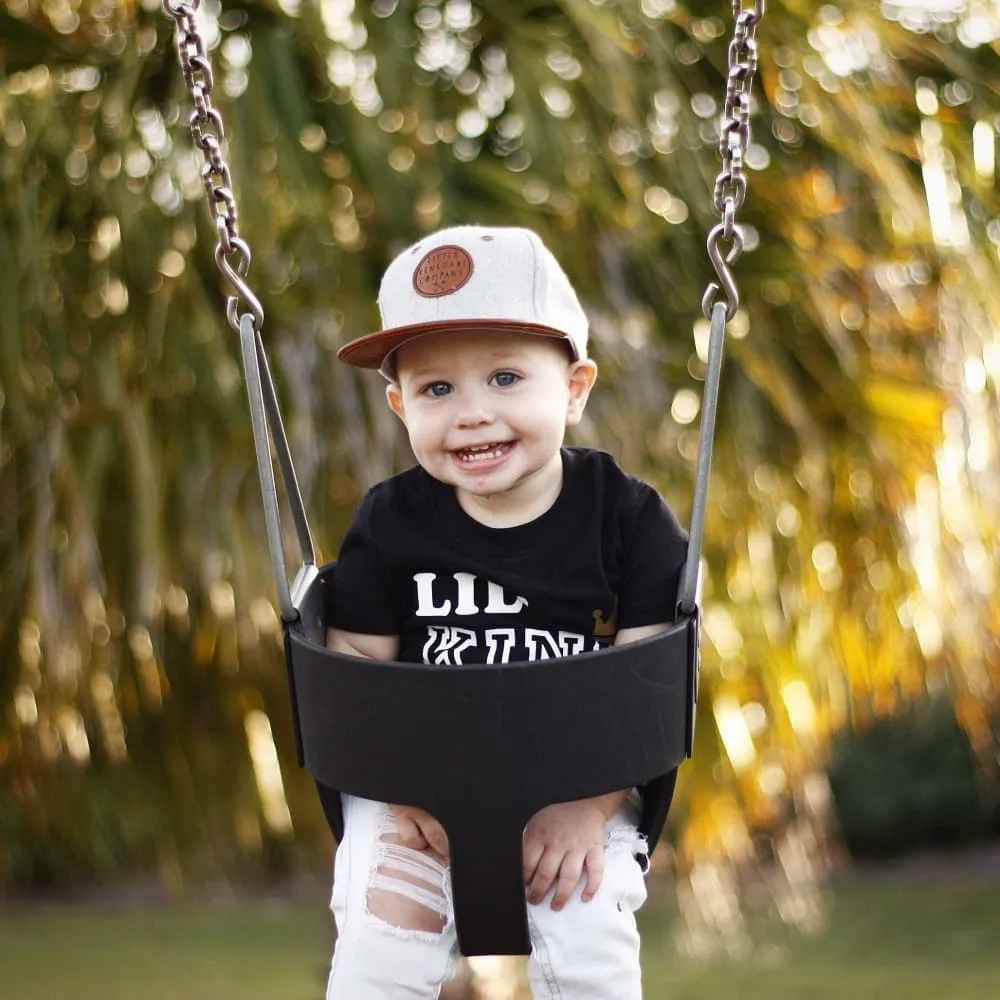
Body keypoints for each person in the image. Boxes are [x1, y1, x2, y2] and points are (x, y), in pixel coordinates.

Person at [324, 224, 688, 999]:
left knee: (588, 936)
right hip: (413, 783)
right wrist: (406, 785)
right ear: (399, 406)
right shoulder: (390, 522)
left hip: (581, 778)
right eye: (436, 389)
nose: (472, 414)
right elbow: (351, 667)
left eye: (505, 378)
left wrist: (587, 807)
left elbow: (651, 686)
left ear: (576, 389)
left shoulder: (626, 518)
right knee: (384, 935)